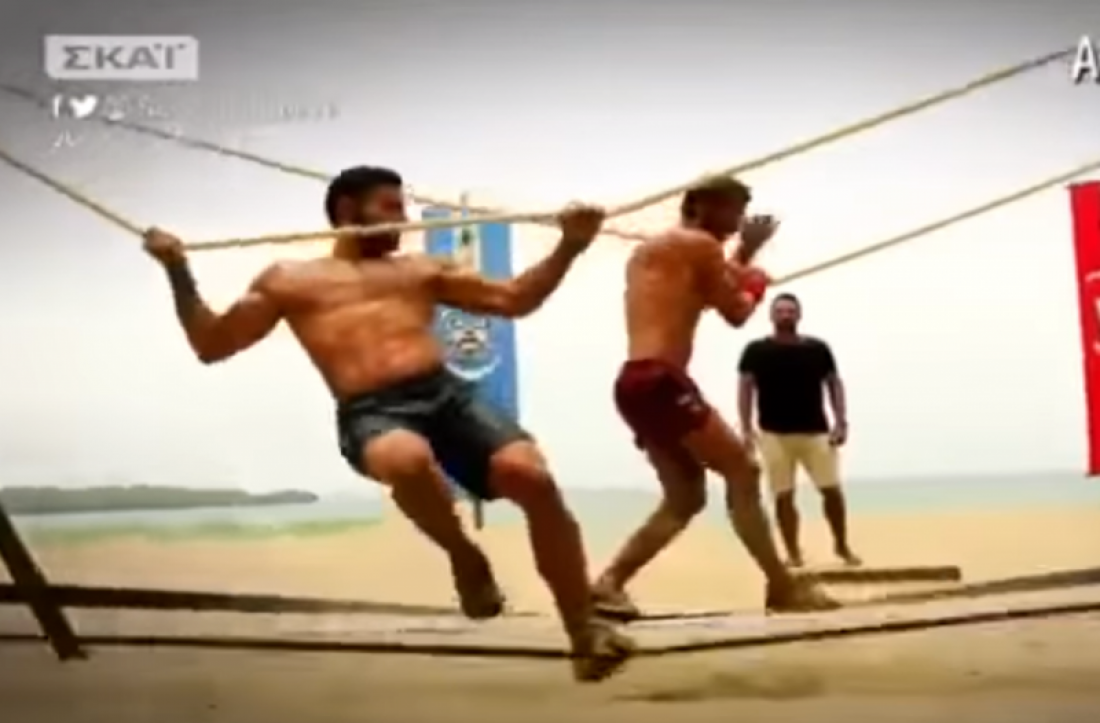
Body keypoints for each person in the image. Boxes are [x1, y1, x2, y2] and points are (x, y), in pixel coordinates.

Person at [140, 165, 633, 682]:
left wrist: (570, 247)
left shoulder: (419, 270)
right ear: (348, 211)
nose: (405, 219)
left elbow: (514, 300)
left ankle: (584, 632)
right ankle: (464, 556)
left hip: (447, 397)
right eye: (391, 208)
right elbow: (212, 344)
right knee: (405, 459)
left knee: (531, 475)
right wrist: (177, 269)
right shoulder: (289, 280)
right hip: (372, 410)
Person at [590, 177, 838, 619]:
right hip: (663, 381)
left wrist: (745, 253)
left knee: (685, 498)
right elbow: (736, 311)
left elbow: (704, 291)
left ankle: (609, 584)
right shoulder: (701, 246)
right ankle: (782, 586)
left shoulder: (653, 252)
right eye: (734, 210)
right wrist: (756, 284)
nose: (738, 221)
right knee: (742, 470)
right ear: (703, 206)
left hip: (633, 383)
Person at [737, 293, 860, 568]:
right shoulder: (756, 351)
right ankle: (793, 553)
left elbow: (833, 383)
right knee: (783, 495)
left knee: (831, 491)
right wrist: (745, 428)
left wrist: (841, 422)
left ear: (799, 315)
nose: (785, 315)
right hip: (774, 434)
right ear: (771, 316)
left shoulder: (817, 349)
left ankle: (842, 546)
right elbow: (745, 388)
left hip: (816, 432)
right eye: (780, 311)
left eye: (790, 311)